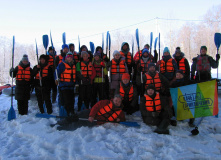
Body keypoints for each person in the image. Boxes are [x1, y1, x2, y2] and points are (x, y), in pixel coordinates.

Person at [55, 94, 126, 130]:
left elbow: (123, 119)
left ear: (121, 103)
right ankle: (59, 123)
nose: (117, 103)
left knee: (78, 124)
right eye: (116, 100)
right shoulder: (106, 102)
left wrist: (119, 119)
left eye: (119, 102)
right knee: (75, 116)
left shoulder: (120, 112)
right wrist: (91, 115)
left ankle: (63, 127)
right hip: (90, 113)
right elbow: (96, 107)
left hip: (95, 121)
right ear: (113, 99)